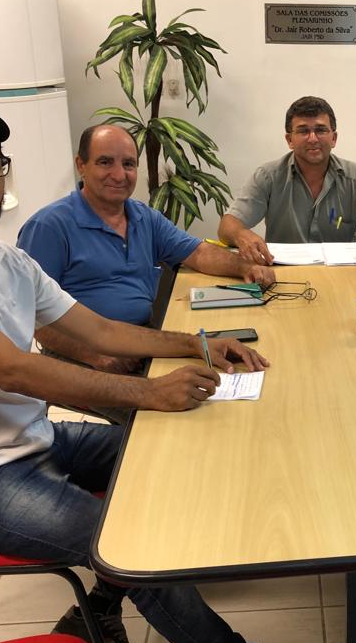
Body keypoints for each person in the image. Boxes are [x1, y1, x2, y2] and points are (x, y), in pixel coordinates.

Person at [0, 101, 342, 643]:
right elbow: (13, 369)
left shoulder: (5, 260)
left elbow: (101, 329)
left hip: (32, 441)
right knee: (130, 543)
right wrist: (150, 392)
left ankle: (94, 619)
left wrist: (200, 344)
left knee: (174, 458)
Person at [17, 124, 275, 423]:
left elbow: (198, 253)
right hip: (82, 357)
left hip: (140, 340)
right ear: (81, 165)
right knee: (177, 421)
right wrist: (95, 356)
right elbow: (34, 320)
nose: (119, 174)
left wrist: (246, 267)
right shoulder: (49, 227)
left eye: (128, 164)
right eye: (105, 162)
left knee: (226, 386)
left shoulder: (142, 216)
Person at [218, 95, 356, 263]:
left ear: (333, 138)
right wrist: (241, 235)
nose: (312, 138)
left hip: (341, 275)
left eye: (321, 130)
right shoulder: (268, 177)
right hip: (284, 275)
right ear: (289, 140)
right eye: (303, 131)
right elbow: (228, 225)